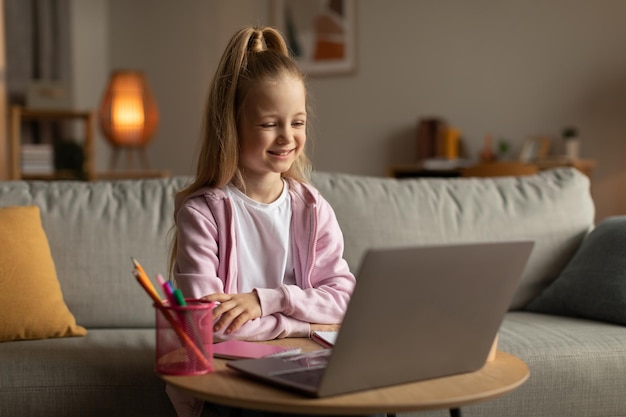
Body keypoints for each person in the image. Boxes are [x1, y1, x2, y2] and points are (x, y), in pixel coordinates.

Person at [166, 26, 357, 417]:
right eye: (270, 124)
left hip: (298, 366)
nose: (287, 137)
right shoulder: (202, 214)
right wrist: (305, 324)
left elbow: (343, 302)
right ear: (231, 126)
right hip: (231, 380)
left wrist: (265, 301)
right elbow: (210, 329)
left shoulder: (312, 207)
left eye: (298, 122)